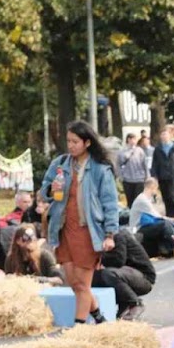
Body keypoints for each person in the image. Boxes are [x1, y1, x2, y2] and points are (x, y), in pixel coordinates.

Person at [42, 120, 119, 324]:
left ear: (87, 142)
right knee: (74, 283)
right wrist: (50, 189)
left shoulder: (100, 169)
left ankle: (79, 327)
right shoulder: (60, 164)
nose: (71, 145)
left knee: (83, 285)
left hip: (88, 232)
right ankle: (100, 318)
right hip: (63, 229)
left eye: (75, 141)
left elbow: (110, 203)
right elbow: (44, 190)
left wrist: (110, 234)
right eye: (68, 141)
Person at [93, 228, 156, 321]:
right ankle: (123, 304)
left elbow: (118, 260)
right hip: (125, 274)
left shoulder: (118, 234)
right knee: (90, 278)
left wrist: (97, 258)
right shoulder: (96, 236)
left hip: (143, 277)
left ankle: (135, 303)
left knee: (108, 274)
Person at [152, 123, 174, 217]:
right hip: (162, 175)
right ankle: (168, 213)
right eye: (162, 135)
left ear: (169, 136)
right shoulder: (158, 149)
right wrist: (154, 175)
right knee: (165, 195)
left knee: (172, 195)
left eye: (166, 135)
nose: (164, 137)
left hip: (172, 175)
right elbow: (155, 163)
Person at [118, 132, 149, 206]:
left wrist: (147, 175)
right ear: (128, 140)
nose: (133, 141)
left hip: (139, 179)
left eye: (134, 139)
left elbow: (144, 164)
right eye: (131, 139)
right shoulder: (122, 152)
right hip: (127, 179)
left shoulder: (140, 150)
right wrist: (120, 176)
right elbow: (118, 164)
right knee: (130, 201)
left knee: (138, 200)